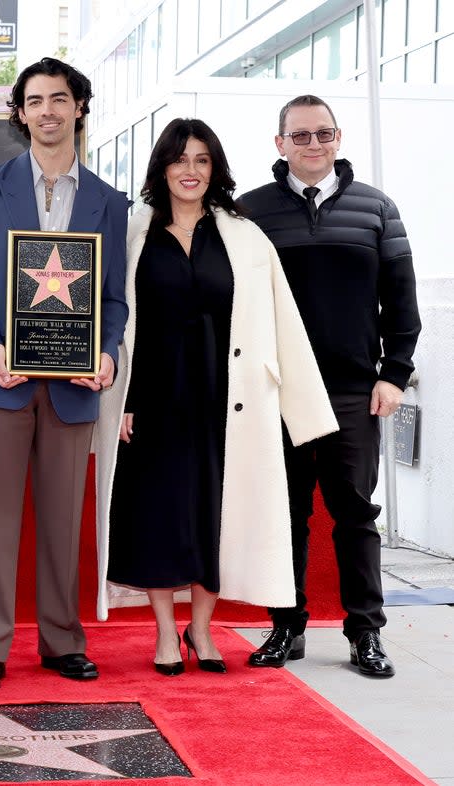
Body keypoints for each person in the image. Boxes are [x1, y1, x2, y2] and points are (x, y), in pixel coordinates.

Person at [94, 118, 337, 675]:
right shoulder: (133, 233)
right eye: (180, 159)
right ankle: (163, 634)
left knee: (215, 515)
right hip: (151, 399)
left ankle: (201, 630)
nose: (190, 170)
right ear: (162, 167)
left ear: (215, 169)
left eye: (202, 160)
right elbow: (115, 320)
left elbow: (282, 321)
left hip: (227, 400)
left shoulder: (244, 236)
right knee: (158, 515)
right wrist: (120, 401)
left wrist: (299, 407)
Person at [0, 57, 128, 692]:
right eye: (35, 100)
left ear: (79, 107)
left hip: (74, 391)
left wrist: (105, 352)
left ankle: (62, 641)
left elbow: (113, 299)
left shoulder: (110, 201)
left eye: (60, 98)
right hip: (0, 383)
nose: (48, 110)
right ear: (20, 112)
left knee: (62, 521)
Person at [238, 95, 420, 678]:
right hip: (276, 389)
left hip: (351, 390)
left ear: (338, 139)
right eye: (300, 136)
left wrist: (394, 374)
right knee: (283, 515)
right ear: (280, 143)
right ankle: (285, 628)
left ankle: (365, 632)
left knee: (356, 515)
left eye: (324, 134)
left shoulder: (377, 208)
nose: (313, 145)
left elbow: (402, 297)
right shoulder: (251, 213)